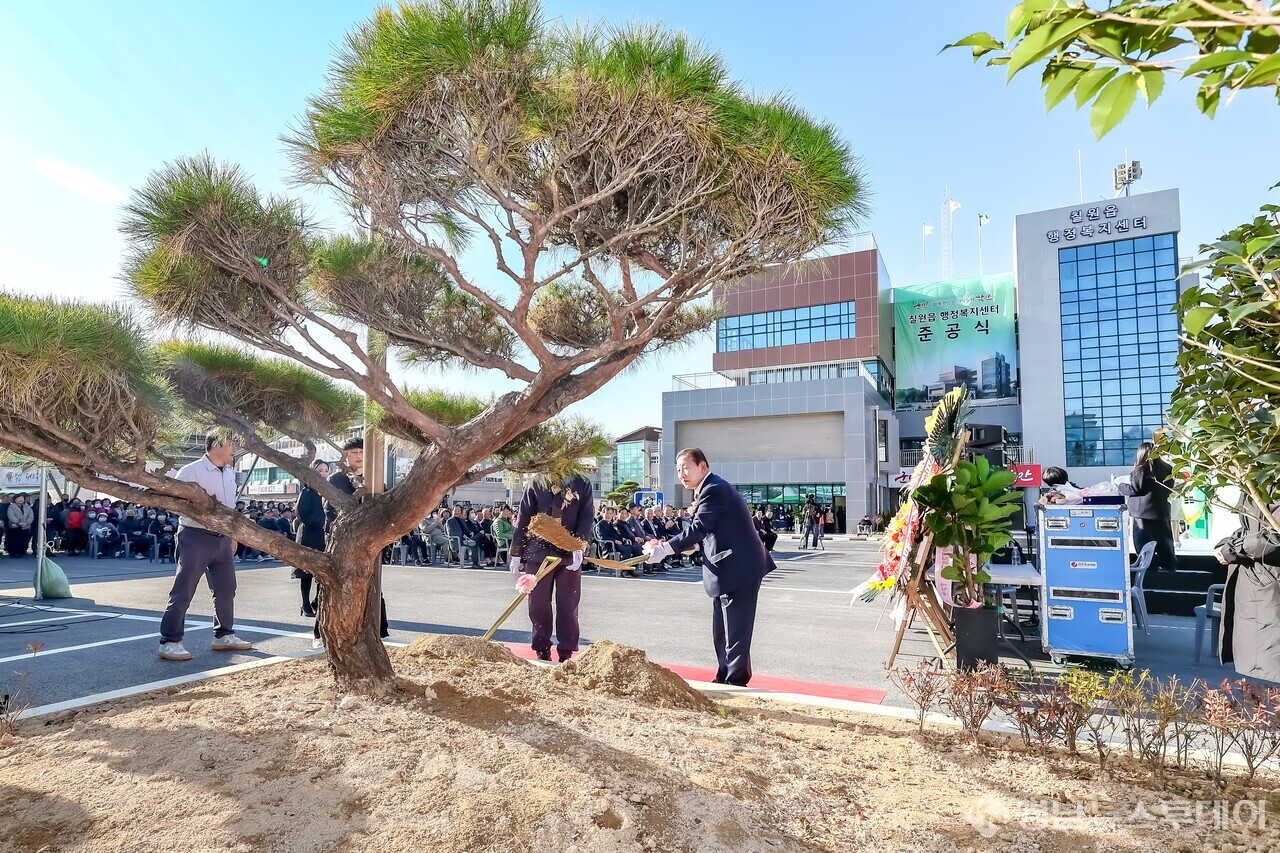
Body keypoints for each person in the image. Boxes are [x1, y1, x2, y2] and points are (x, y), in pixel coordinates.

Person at [645, 448, 775, 686]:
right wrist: (691, 546)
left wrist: (664, 549)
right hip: (727, 569)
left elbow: (698, 528)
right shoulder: (708, 489)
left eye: (686, 468)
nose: (682, 474)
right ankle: (725, 675)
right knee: (722, 630)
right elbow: (711, 530)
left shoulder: (714, 489)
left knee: (735, 631)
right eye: (678, 470)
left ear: (703, 466)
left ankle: (735, 682)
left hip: (739, 569)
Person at [158, 434, 253, 661]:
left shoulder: (229, 473)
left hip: (223, 538)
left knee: (226, 588)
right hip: (195, 535)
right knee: (184, 590)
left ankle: (224, 635)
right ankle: (169, 641)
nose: (235, 448)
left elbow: (230, 508)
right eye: (231, 444)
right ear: (216, 444)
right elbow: (175, 504)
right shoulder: (191, 471)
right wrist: (203, 514)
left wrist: (232, 535)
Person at [509, 472, 595, 662]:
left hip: (568, 551)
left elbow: (586, 516)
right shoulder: (536, 482)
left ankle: (566, 652)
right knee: (538, 604)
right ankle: (542, 648)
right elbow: (524, 517)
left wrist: (579, 546)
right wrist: (516, 554)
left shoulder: (581, 483)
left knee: (568, 604)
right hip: (538, 552)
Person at [322, 437, 388, 647]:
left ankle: (376, 631)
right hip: (343, 539)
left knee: (371, 584)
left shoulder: (375, 477)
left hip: (370, 541)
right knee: (337, 586)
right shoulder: (336, 479)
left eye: (361, 452)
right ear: (345, 455)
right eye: (353, 452)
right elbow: (330, 510)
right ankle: (324, 633)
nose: (358, 456)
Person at [1216, 498, 1280, 682]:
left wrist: (1234, 547)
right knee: (1261, 674)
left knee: (1268, 672)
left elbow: (1273, 537)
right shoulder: (1252, 483)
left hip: (1268, 584)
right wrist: (1228, 544)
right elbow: (1250, 525)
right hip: (1257, 583)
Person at [1115, 441, 1178, 572]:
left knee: (1143, 543)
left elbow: (1134, 489)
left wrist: (1119, 485)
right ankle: (1169, 565)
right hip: (1162, 512)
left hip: (1142, 513)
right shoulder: (1168, 468)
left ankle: (1149, 567)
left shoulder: (1142, 469)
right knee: (1164, 541)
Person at [293, 459, 329, 618]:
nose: (323, 473)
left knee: (323, 572)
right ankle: (305, 604)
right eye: (320, 470)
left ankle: (316, 602)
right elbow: (302, 514)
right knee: (306, 572)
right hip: (308, 534)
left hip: (322, 535)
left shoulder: (328, 492)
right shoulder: (307, 491)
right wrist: (321, 523)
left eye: (326, 470)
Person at [4, 494, 34, 558]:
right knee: (14, 540)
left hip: (25, 526)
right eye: (19, 498)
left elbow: (31, 516)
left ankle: (21, 552)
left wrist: (27, 523)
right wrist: (18, 522)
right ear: (15, 499)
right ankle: (13, 553)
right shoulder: (11, 507)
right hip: (15, 526)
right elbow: (11, 515)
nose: (21, 500)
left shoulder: (28, 507)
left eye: (22, 498)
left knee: (23, 540)